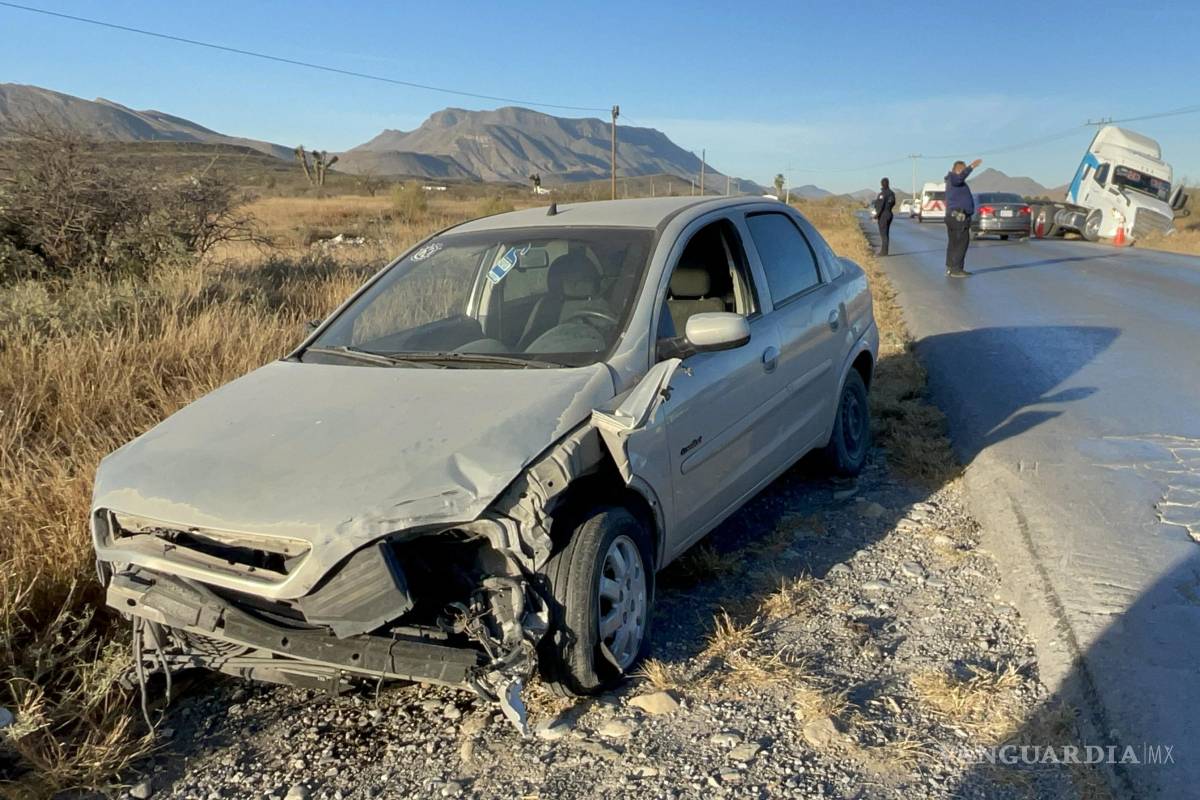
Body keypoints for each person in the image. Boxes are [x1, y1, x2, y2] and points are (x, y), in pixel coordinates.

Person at [945, 158, 982, 276]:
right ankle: (956, 269)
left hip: (954, 216)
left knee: (954, 243)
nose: (964, 172)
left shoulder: (953, 180)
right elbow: (960, 178)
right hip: (958, 217)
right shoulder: (954, 178)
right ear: (958, 170)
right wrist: (971, 167)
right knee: (961, 242)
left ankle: (951, 267)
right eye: (963, 169)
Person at [873, 177, 896, 256]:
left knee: (883, 234)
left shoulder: (882, 194)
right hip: (889, 214)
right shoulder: (891, 193)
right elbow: (893, 203)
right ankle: (885, 251)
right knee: (886, 234)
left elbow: (880, 205)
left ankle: (884, 252)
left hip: (883, 215)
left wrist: (877, 215)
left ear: (882, 184)